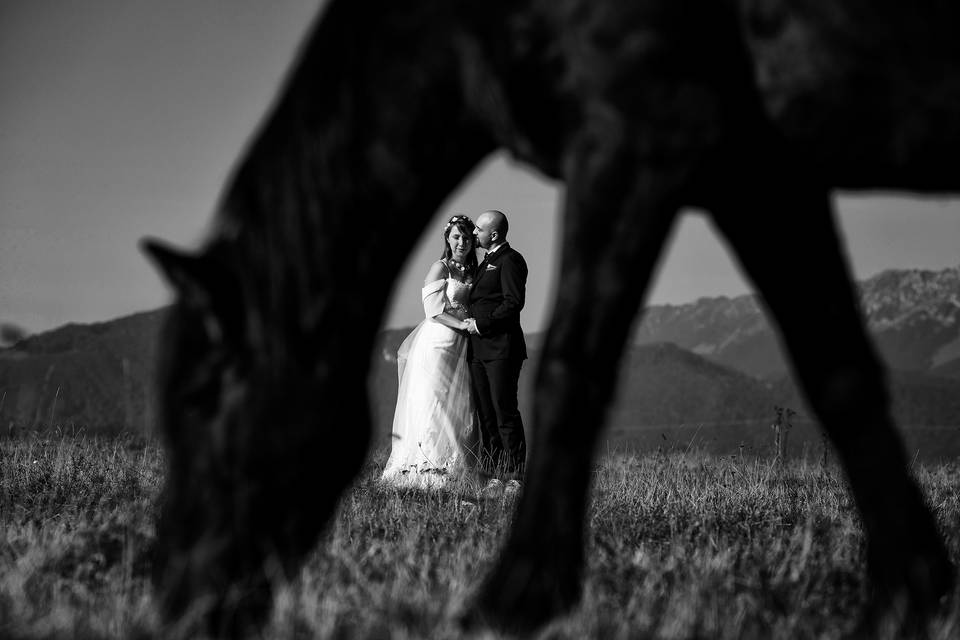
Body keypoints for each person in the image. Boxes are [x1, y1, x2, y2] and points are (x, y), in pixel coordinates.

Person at [381, 215, 481, 487]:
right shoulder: (440, 268)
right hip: (438, 342)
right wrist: (462, 323)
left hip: (461, 345)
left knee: (458, 404)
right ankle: (426, 466)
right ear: (448, 239)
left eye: (467, 237)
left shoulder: (472, 270)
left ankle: (456, 466)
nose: (462, 242)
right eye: (457, 237)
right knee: (434, 401)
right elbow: (433, 310)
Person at [466, 210, 528, 493]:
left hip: (502, 348)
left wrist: (481, 324)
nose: (473, 233)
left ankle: (515, 475)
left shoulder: (510, 260)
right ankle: (494, 474)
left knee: (505, 412)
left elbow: (512, 303)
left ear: (493, 234)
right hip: (478, 352)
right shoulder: (484, 262)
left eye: (478, 229)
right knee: (486, 414)